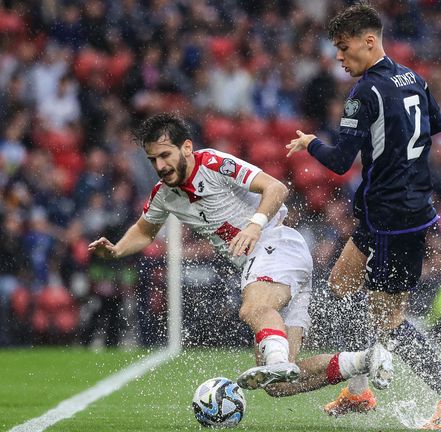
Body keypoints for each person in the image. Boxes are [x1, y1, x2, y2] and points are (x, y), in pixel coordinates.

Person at [88, 113, 392, 399]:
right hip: (271, 261)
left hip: (275, 242)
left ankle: (275, 359)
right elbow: (144, 231)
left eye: (165, 155)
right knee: (280, 385)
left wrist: (254, 226)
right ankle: (365, 360)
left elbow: (275, 188)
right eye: (153, 159)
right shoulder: (164, 195)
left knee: (253, 309)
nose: (160, 165)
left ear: (187, 148)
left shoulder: (214, 163)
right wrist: (116, 249)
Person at [287, 4, 441, 429]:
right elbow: (439, 123)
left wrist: (310, 143)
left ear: (369, 41)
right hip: (389, 212)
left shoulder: (365, 92)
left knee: (388, 322)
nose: (339, 56)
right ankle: (359, 392)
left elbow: (339, 161)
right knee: (342, 283)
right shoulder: (413, 76)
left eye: (344, 47)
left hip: (395, 218)